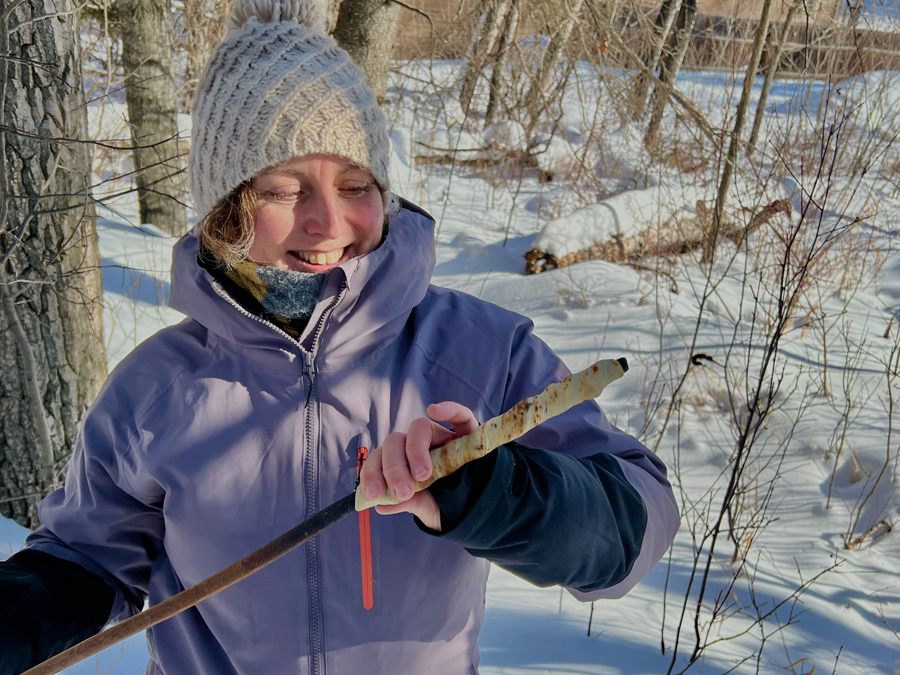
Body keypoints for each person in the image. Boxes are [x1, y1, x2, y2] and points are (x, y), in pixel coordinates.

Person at [0, 1, 680, 673]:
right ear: (225, 207)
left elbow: (633, 528)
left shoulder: (480, 351)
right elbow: (83, 557)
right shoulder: (155, 388)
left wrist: (492, 491)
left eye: (356, 184)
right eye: (282, 189)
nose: (328, 222)